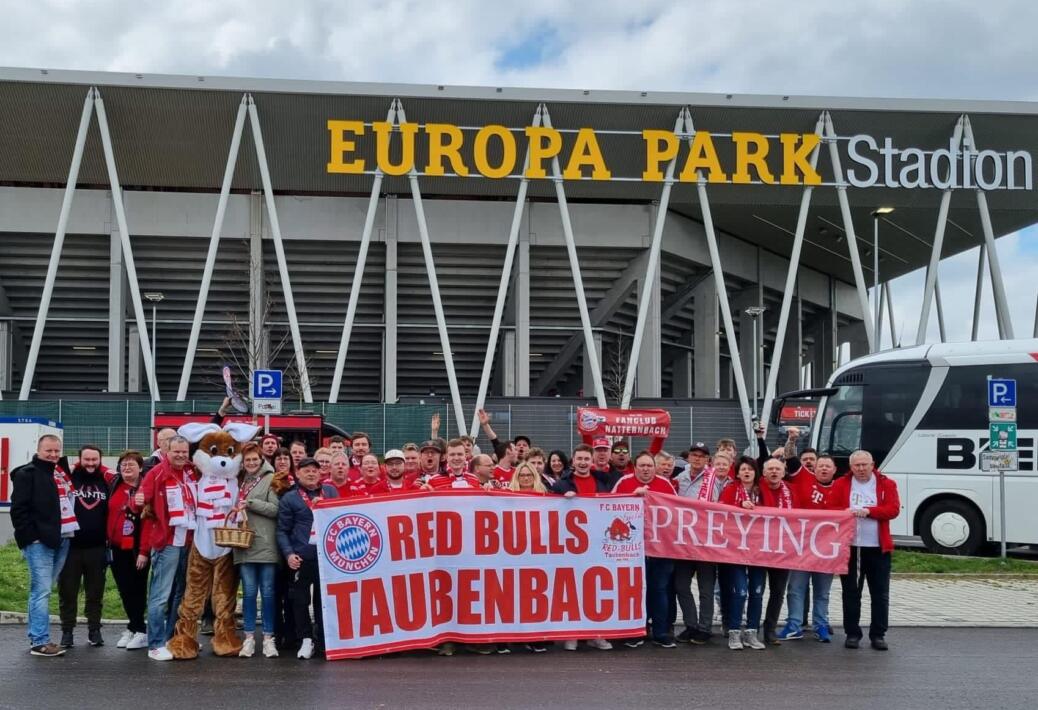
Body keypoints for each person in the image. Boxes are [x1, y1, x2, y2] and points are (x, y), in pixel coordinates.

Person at [11, 434, 75, 657]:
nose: (54, 454)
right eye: (49, 450)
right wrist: (31, 537)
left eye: (57, 450)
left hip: (63, 537)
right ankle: (39, 641)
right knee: (41, 591)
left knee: (45, 590)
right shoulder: (27, 474)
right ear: (38, 450)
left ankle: (41, 638)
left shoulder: (59, 472)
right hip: (40, 541)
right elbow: (18, 510)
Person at [831, 450, 900, 651]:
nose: (861, 469)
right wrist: (844, 513)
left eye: (864, 465)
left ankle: (878, 634)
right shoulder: (841, 484)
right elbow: (832, 509)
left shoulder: (887, 484)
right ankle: (852, 633)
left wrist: (870, 512)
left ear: (872, 465)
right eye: (857, 466)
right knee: (851, 592)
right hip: (852, 547)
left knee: (880, 593)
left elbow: (893, 509)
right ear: (851, 467)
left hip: (878, 547)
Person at [136, 435, 197, 661]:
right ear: (166, 452)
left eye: (184, 451)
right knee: (160, 595)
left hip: (189, 541)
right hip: (167, 542)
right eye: (176, 452)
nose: (181, 455)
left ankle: (172, 637)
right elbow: (140, 501)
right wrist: (138, 500)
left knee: (181, 594)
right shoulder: (156, 473)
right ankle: (155, 644)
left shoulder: (192, 471)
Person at [552, 444, 613, 652]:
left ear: (592, 461)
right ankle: (573, 634)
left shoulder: (603, 481)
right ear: (573, 460)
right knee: (574, 591)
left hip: (598, 545)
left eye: (587, 459)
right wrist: (563, 500)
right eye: (580, 459)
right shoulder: (561, 484)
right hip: (572, 548)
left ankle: (596, 634)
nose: (583, 462)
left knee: (596, 590)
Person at [612, 451, 677, 648]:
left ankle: (660, 632)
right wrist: (633, 497)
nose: (646, 469)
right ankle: (635, 630)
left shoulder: (665, 484)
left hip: (659, 548)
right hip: (631, 549)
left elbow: (677, 511)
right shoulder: (623, 483)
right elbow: (609, 508)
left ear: (655, 467)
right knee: (634, 591)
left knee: (659, 589)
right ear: (635, 466)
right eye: (642, 465)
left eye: (649, 465)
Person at [277, 457, 338, 660]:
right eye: (306, 470)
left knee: (325, 600)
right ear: (298, 473)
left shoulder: (330, 492)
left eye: (315, 470)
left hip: (328, 558)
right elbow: (282, 531)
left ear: (320, 473)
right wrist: (288, 554)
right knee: (300, 600)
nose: (311, 473)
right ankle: (305, 639)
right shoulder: (290, 498)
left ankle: (324, 638)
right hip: (302, 557)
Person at [779, 454, 838, 643]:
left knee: (822, 592)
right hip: (801, 548)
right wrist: (792, 439)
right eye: (820, 466)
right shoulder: (805, 479)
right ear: (815, 468)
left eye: (828, 466)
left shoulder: (841, 488)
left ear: (834, 470)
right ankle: (794, 625)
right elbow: (790, 457)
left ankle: (821, 625)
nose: (823, 469)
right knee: (796, 588)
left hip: (826, 550)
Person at [671, 442, 726, 645]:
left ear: (707, 460)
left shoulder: (715, 481)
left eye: (702, 456)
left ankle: (704, 628)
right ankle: (690, 624)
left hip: (705, 543)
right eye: (694, 455)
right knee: (681, 585)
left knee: (706, 589)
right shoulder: (678, 480)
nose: (697, 459)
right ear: (689, 458)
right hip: (683, 543)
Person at [58, 445, 112, 648]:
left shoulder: (107, 481)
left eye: (94, 460)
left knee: (95, 593)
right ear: (79, 459)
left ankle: (94, 630)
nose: (91, 463)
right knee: (67, 593)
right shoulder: (69, 478)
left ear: (100, 460)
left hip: (97, 548)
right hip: (70, 547)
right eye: (87, 459)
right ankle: (67, 632)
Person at [232, 443, 281, 659]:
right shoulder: (240, 480)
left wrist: (250, 503)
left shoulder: (271, 479)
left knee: (268, 594)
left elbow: (276, 509)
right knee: (249, 594)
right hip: (244, 545)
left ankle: (269, 638)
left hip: (266, 544)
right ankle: (249, 638)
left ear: (261, 459)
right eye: (247, 460)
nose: (251, 463)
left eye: (254, 459)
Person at [719, 456, 766, 650]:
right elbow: (719, 510)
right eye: (743, 469)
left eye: (750, 469)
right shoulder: (730, 489)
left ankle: (752, 632)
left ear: (756, 472)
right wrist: (739, 507)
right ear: (737, 473)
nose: (746, 472)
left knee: (757, 591)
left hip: (760, 548)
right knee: (740, 591)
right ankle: (734, 632)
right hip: (736, 548)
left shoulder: (763, 490)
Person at [106, 451, 149, 651]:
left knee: (137, 589)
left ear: (141, 468)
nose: (126, 468)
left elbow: (150, 523)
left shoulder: (145, 488)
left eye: (131, 464)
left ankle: (140, 630)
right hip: (116, 546)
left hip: (137, 549)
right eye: (123, 465)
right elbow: (96, 466)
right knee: (124, 589)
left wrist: (144, 551)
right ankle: (133, 626)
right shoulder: (115, 483)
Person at [758, 457, 798, 645]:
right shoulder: (755, 490)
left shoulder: (791, 491)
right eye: (770, 469)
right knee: (756, 590)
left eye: (778, 469)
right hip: (758, 548)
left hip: (783, 549)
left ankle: (770, 629)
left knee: (778, 591)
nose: (774, 472)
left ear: (783, 472)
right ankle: (751, 626)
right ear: (764, 472)